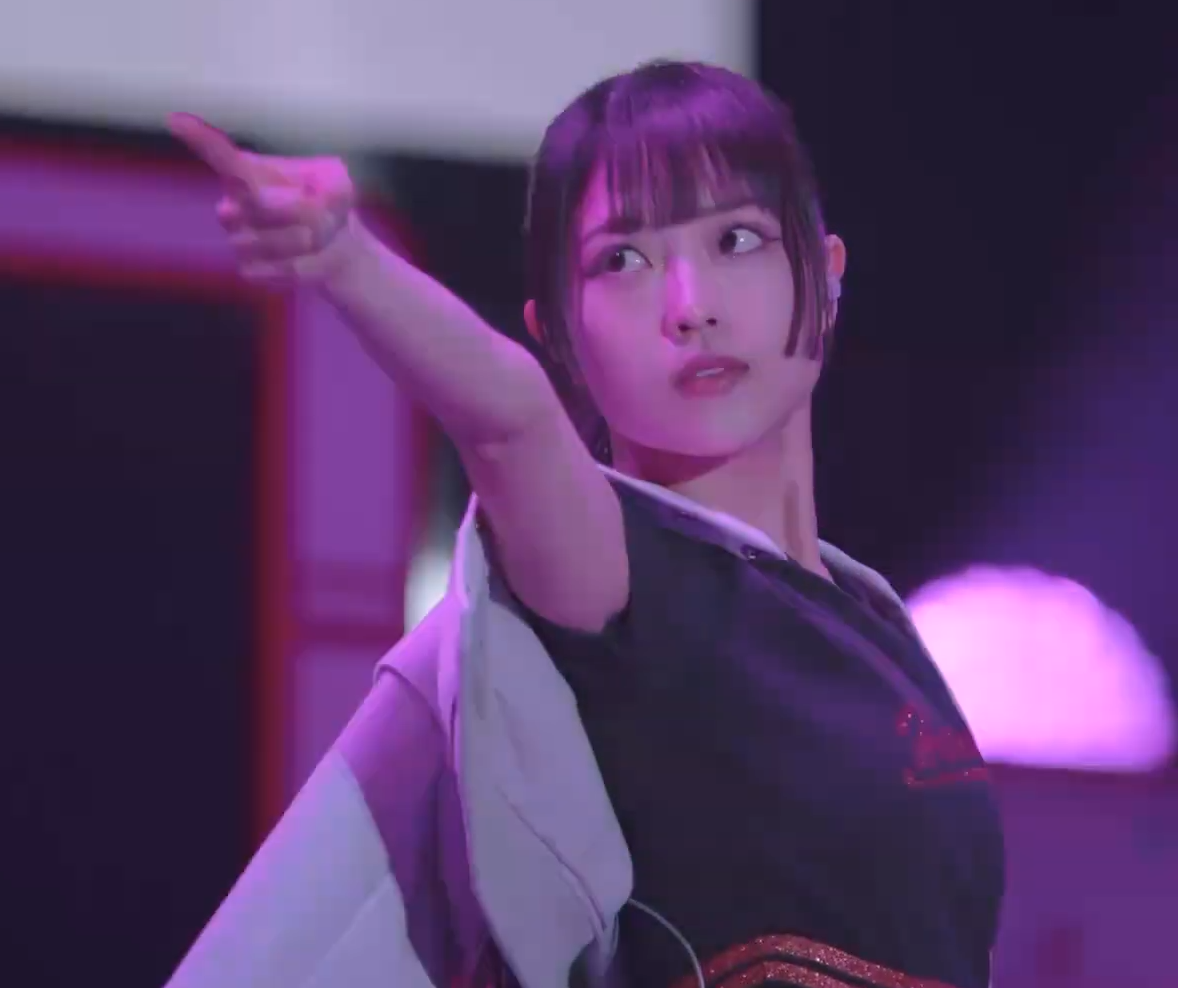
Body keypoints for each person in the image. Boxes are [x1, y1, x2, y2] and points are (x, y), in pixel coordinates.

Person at [163, 60, 1003, 988]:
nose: (690, 306)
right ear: (558, 334)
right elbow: (510, 420)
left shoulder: (875, 622)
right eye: (623, 261)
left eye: (737, 238)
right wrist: (347, 258)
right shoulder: (623, 581)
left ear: (827, 273)